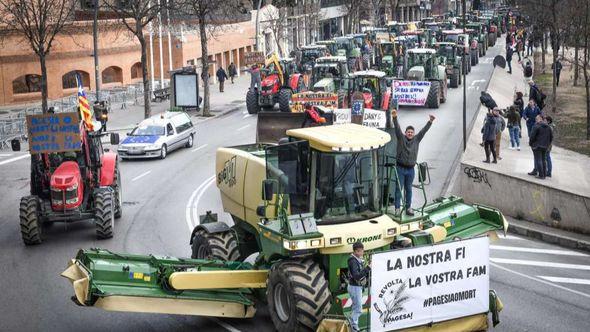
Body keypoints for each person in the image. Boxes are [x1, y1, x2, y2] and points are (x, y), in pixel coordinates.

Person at [391, 110, 434, 216]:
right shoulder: (401, 138)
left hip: (410, 169)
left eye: (411, 132)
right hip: (400, 169)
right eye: (408, 132)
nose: (410, 133)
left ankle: (408, 208)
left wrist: (430, 121)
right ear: (405, 133)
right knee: (398, 189)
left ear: (414, 134)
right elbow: (397, 128)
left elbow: (423, 131)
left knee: (409, 189)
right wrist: (395, 117)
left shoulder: (416, 140)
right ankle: (397, 208)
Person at [347, 241, 370, 332]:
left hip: (355, 287)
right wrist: (368, 268)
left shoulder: (355, 260)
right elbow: (356, 276)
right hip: (355, 287)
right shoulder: (353, 261)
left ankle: (352, 326)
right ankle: (354, 328)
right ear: (356, 251)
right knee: (358, 309)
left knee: (355, 307)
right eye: (361, 251)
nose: (362, 253)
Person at [528, 115, 553, 179]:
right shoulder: (549, 127)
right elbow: (551, 137)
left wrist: (531, 143)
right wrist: (548, 144)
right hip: (545, 146)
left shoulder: (536, 126)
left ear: (540, 119)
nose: (536, 120)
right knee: (543, 160)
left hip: (537, 145)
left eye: (536, 119)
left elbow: (532, 136)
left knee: (539, 160)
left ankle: (541, 175)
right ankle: (544, 174)